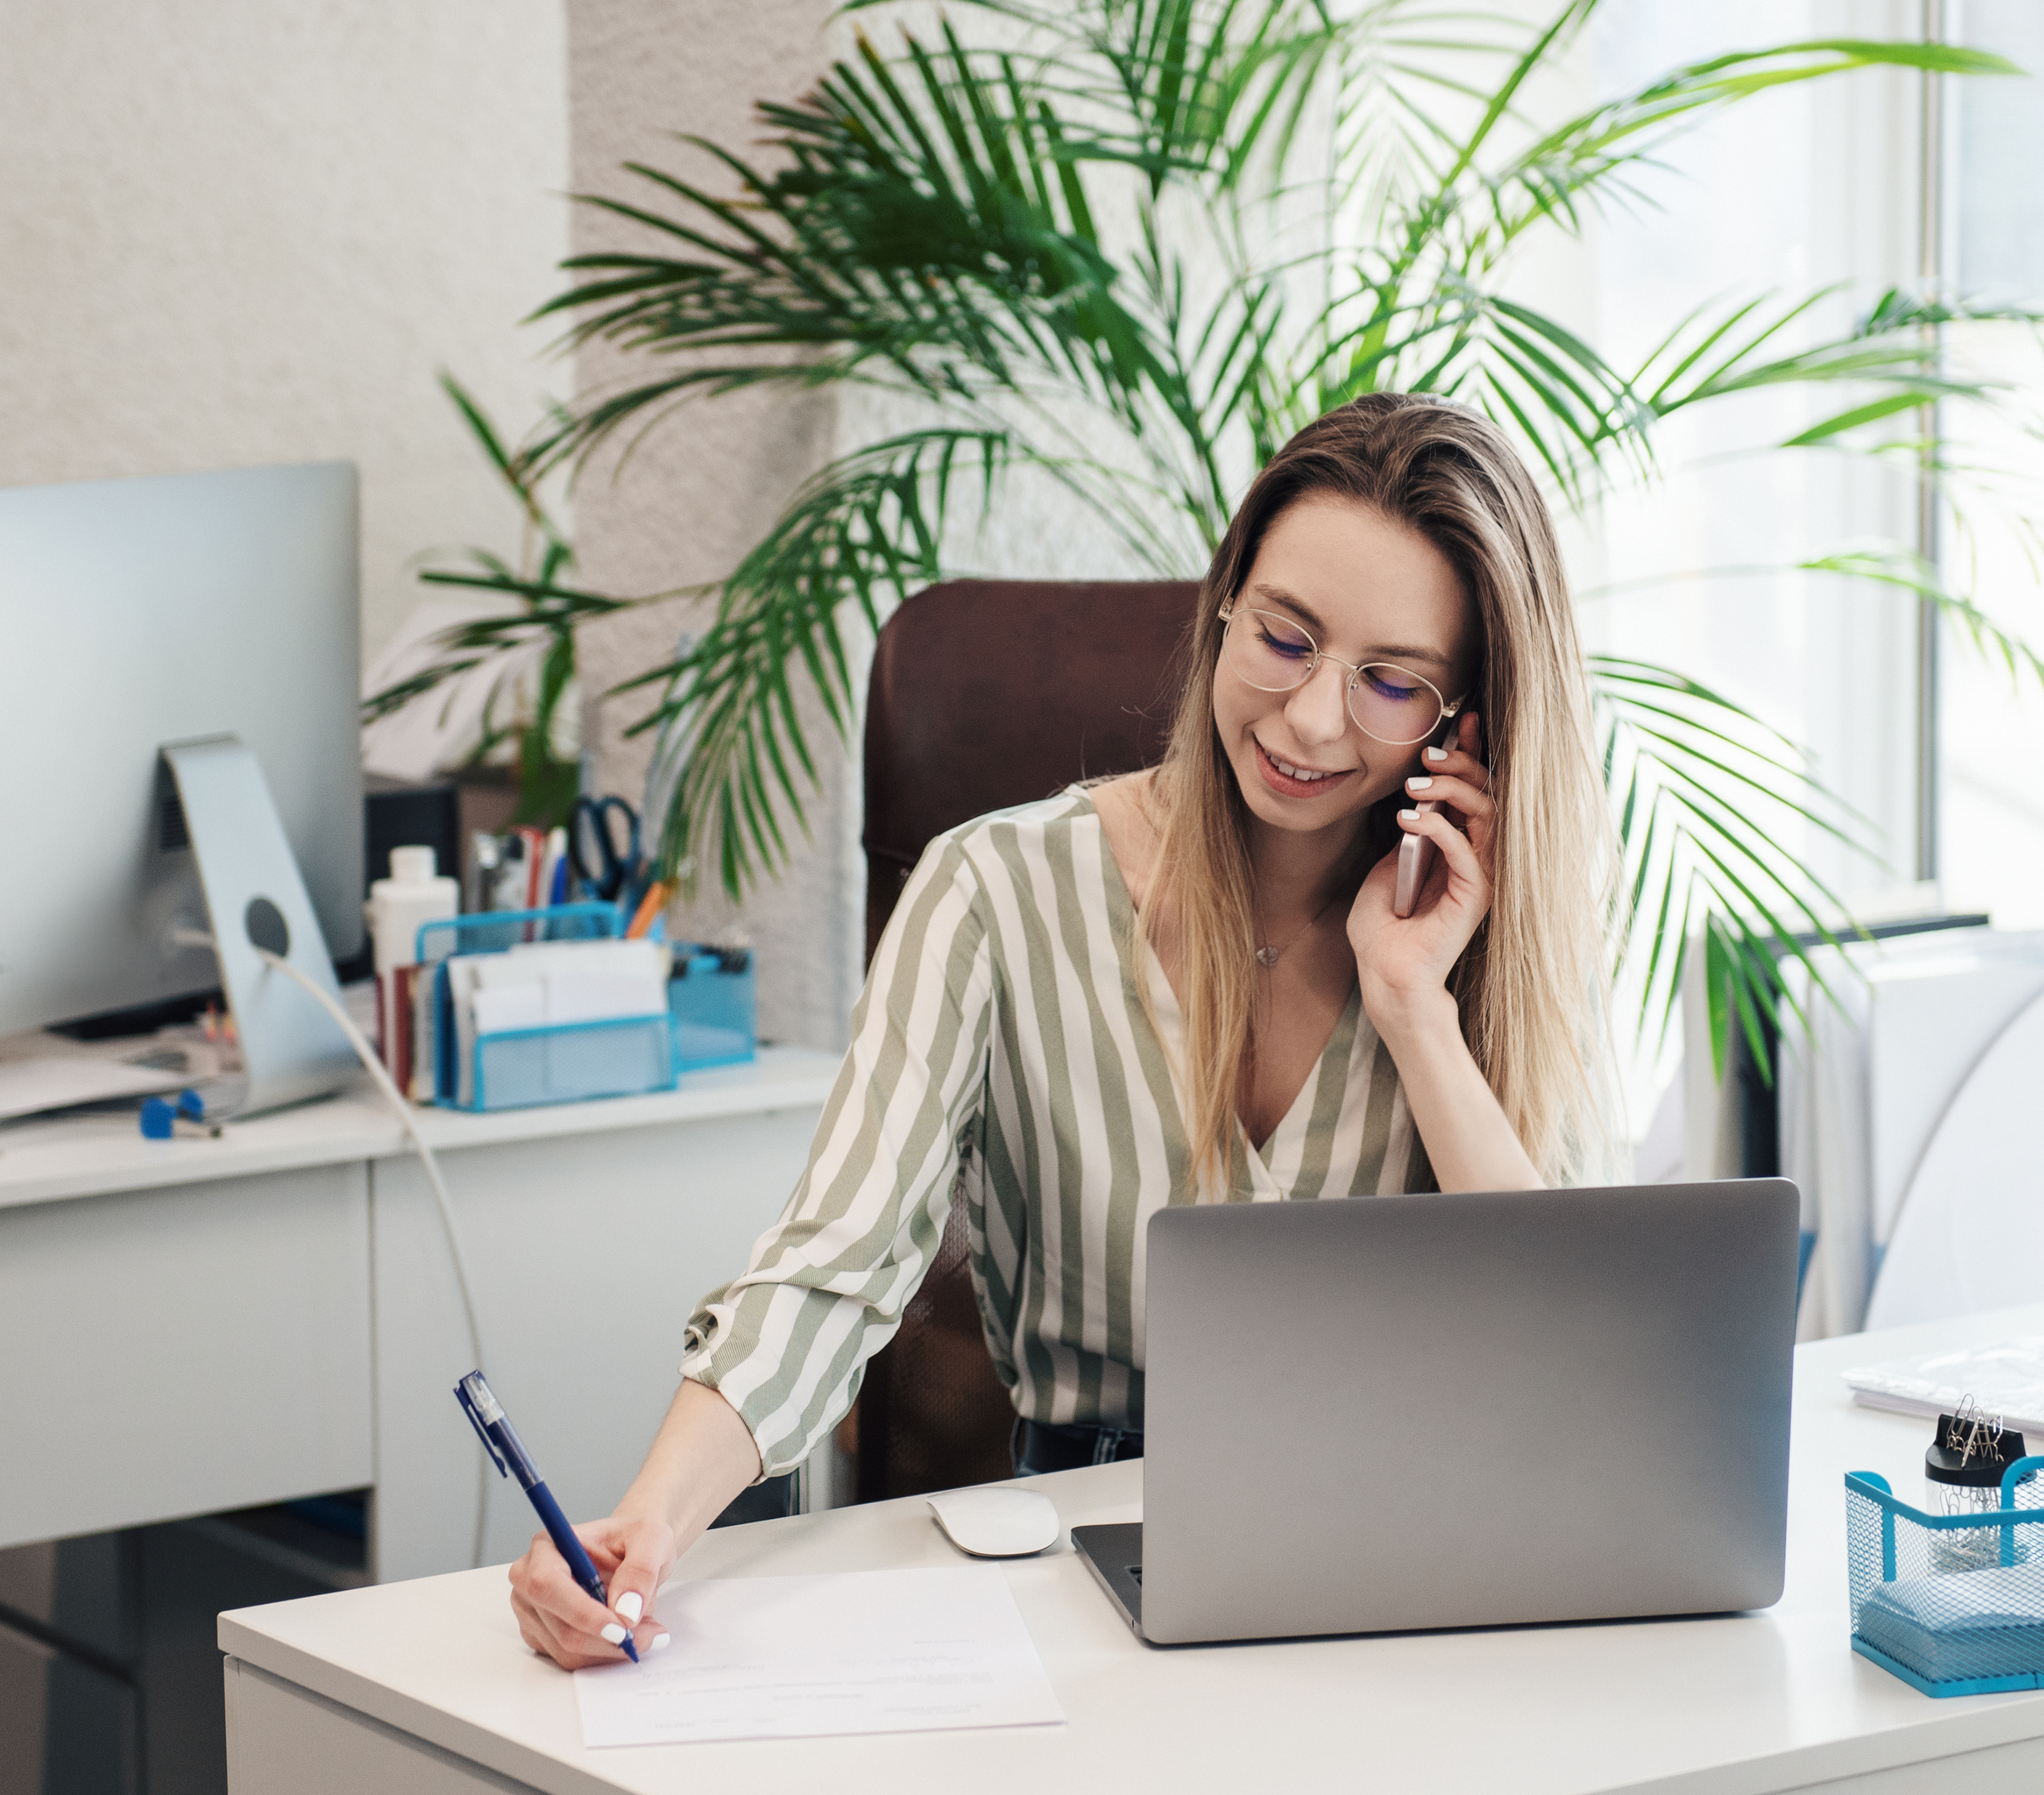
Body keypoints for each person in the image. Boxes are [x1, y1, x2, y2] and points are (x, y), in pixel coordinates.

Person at [509, 392, 1620, 1667]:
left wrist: (1416, 1006)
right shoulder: (990, 890)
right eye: (1284, 637)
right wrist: (645, 1521)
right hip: (1083, 1558)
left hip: (1414, 1560)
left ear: (1462, 723)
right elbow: (831, 1267)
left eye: (1389, 682)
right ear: (1221, 611)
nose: (1313, 719)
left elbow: (1564, 1356)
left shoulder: (1492, 930)